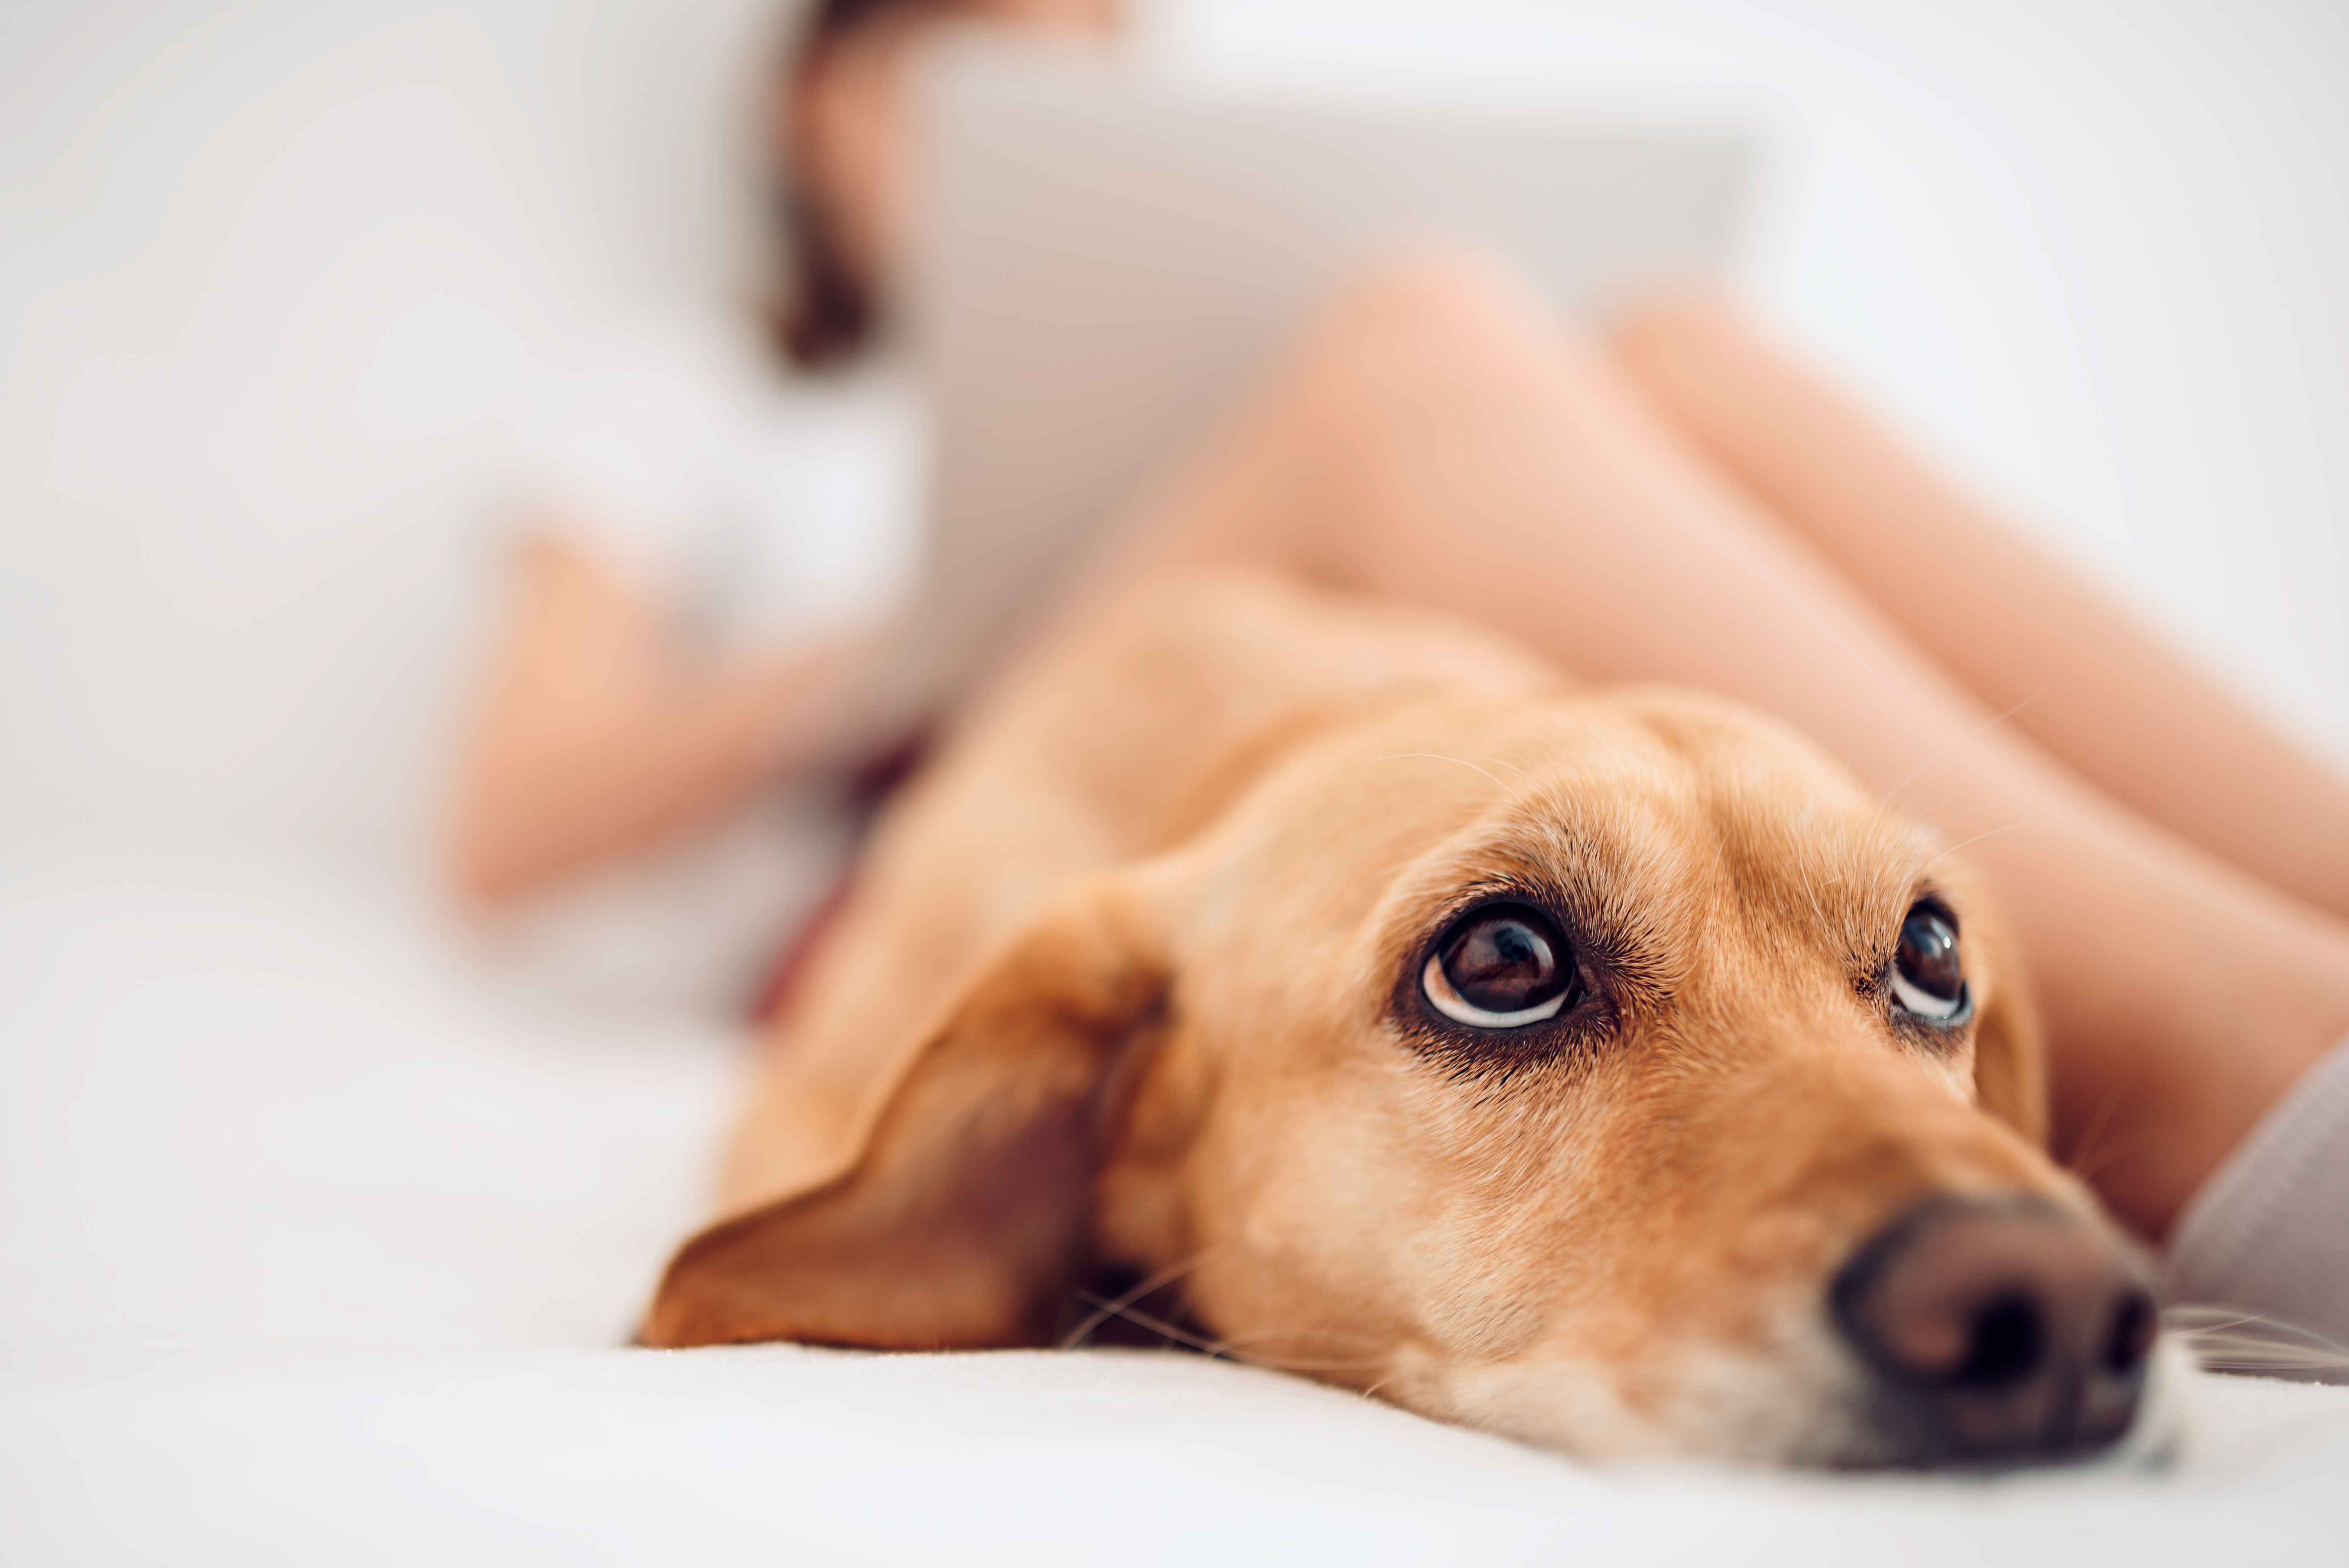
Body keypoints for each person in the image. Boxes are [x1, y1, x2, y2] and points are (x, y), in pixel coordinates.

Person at [448, 0, 2349, 1352]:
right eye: (964, 69)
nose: (1024, 104)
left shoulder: (1166, 376)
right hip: (913, 826)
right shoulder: (713, 401)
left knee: (1677, 356)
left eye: (1079, 74)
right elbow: (504, 828)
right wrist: (895, 642)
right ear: (818, 117)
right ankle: (2237, 1076)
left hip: (1304, 761)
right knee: (1406, 344)